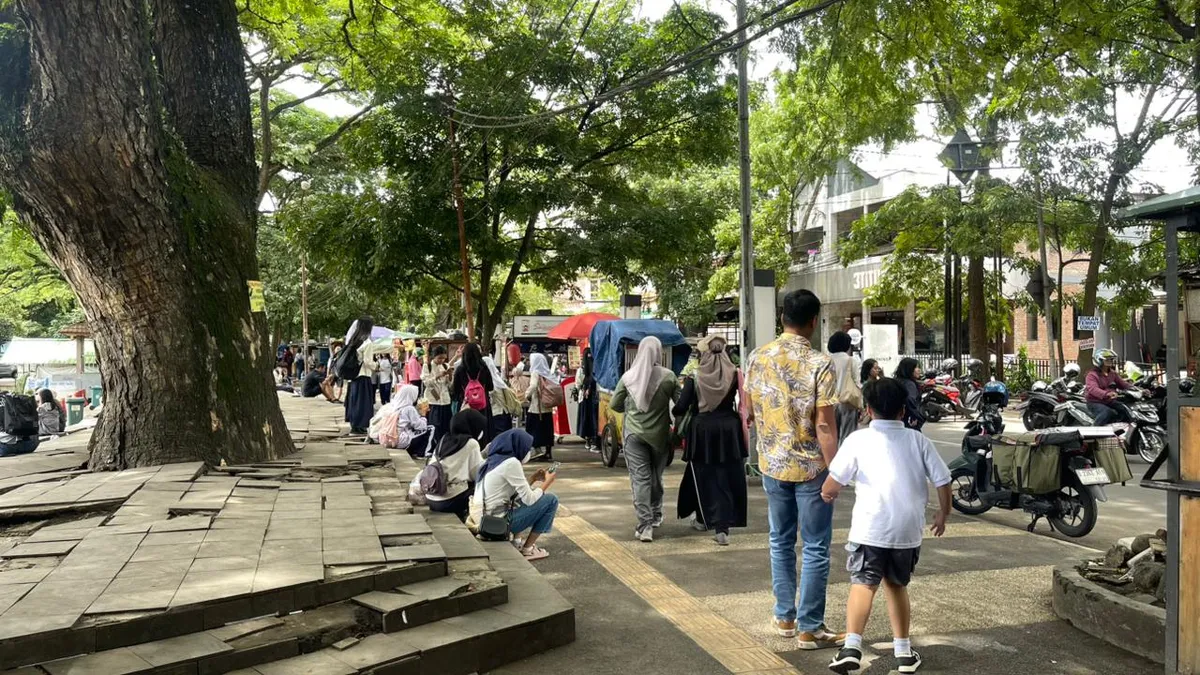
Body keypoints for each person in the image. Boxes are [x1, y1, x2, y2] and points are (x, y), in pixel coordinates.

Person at [823, 377, 952, 674]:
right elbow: (943, 481)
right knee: (896, 586)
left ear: (868, 408)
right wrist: (943, 513)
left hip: (870, 529)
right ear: (903, 410)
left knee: (863, 584)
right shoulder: (919, 440)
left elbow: (833, 482)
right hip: (906, 533)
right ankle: (904, 653)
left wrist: (827, 493)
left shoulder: (858, 439)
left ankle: (851, 648)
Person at [743, 288, 844, 650]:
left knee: (780, 540)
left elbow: (750, 410)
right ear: (813, 321)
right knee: (816, 546)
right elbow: (825, 426)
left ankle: (785, 616)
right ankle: (810, 626)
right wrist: (836, 470)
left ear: (782, 317)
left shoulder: (757, 357)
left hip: (772, 464)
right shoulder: (820, 363)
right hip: (811, 467)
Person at [674, 336, 748, 546]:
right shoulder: (735, 373)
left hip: (702, 430)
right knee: (726, 476)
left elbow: (681, 406)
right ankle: (716, 524)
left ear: (703, 354)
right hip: (729, 430)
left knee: (705, 476)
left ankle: (713, 522)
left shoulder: (695, 376)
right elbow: (743, 404)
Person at [610, 336, 680, 543]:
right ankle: (657, 514)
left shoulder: (628, 377)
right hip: (660, 436)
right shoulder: (669, 377)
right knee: (656, 476)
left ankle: (645, 526)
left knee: (640, 479)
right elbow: (680, 403)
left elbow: (615, 404)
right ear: (659, 352)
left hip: (634, 435)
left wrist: (632, 410)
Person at [470, 429, 560, 561]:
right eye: (527, 448)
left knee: (520, 500)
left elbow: (515, 493)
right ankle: (528, 549)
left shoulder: (490, 461)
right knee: (551, 500)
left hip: (483, 520)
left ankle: (517, 542)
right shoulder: (511, 463)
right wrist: (547, 482)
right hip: (496, 524)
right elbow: (529, 499)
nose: (528, 452)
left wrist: (532, 479)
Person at [426, 409, 489, 521]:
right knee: (485, 487)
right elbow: (477, 474)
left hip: (431, 496)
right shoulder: (471, 443)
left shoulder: (444, 439)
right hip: (449, 500)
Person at [343, 317, 388, 434]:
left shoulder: (354, 341)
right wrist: (377, 366)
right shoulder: (367, 343)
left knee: (354, 401)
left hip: (354, 376)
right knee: (363, 403)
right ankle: (360, 425)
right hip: (363, 375)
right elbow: (368, 362)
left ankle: (354, 425)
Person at [369, 384, 434, 458]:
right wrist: (423, 415)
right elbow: (421, 427)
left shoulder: (392, 405)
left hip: (388, 439)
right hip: (400, 440)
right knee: (430, 428)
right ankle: (424, 453)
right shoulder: (409, 409)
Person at [827, 332, 863, 444]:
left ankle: (832, 459)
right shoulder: (851, 360)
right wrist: (861, 404)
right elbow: (857, 383)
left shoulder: (825, 360)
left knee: (832, 435)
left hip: (829, 402)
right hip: (848, 401)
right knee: (848, 436)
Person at [452, 343, 495, 434]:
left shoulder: (460, 369)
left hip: (466, 405)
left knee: (467, 430)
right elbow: (490, 387)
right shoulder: (483, 368)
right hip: (483, 405)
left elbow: (455, 390)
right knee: (482, 431)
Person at [524, 352, 559, 461]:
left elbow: (533, 386)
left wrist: (527, 395)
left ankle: (537, 451)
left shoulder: (536, 372)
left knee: (532, 429)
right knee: (547, 430)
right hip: (547, 407)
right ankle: (548, 453)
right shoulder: (547, 372)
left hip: (536, 407)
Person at [1085, 348, 1134, 425]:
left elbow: (1123, 384)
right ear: (1099, 360)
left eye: (1111, 359)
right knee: (1106, 412)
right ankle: (1094, 431)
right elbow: (1093, 389)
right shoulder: (1092, 375)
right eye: (1107, 360)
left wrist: (1139, 390)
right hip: (1095, 402)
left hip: (1109, 401)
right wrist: (1107, 394)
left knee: (1126, 409)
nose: (1110, 361)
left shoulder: (1112, 373)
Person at [424, 346, 454, 440]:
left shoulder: (445, 366)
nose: (442, 360)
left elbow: (450, 385)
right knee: (434, 425)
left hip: (445, 400)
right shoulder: (427, 366)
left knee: (445, 425)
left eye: (444, 358)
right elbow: (426, 383)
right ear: (434, 356)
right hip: (433, 400)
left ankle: (444, 443)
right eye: (439, 358)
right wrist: (438, 376)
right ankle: (432, 444)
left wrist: (449, 375)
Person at [483, 356, 515, 437]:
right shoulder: (498, 379)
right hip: (504, 412)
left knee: (499, 436)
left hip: (496, 413)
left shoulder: (491, 382)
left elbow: (491, 398)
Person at [575, 348, 600, 453]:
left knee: (586, 418)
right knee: (595, 419)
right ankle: (594, 442)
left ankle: (588, 441)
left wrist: (583, 388)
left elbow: (577, 384)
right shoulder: (597, 370)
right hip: (595, 398)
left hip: (585, 398)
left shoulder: (581, 370)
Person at [894, 358, 925, 431]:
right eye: (916, 367)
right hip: (908, 420)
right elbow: (910, 399)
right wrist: (915, 416)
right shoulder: (910, 384)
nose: (919, 370)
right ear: (909, 369)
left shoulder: (896, 381)